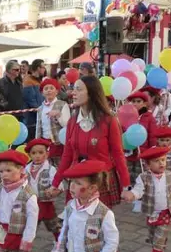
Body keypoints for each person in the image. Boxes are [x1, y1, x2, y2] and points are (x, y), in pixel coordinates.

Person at [49, 76, 130, 208]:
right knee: (75, 223)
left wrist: (126, 185)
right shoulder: (72, 121)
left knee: (96, 225)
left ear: (92, 93)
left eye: (79, 89)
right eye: (73, 89)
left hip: (99, 181)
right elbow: (67, 156)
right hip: (77, 181)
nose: (73, 93)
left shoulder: (109, 120)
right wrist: (55, 182)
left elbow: (118, 154)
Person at [124, 91, 159, 213]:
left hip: (143, 154)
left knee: (142, 176)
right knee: (131, 175)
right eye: (133, 101)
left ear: (144, 103)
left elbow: (152, 135)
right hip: (130, 152)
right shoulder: (127, 117)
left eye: (138, 102)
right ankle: (135, 196)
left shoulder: (149, 118)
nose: (135, 104)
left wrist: (152, 151)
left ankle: (142, 200)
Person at [24, 139, 63, 242]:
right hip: (32, 204)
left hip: (46, 204)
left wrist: (55, 190)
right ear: (29, 155)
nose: (37, 156)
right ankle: (26, 243)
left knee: (53, 225)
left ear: (47, 154)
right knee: (31, 224)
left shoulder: (50, 169)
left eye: (41, 152)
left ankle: (59, 243)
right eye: (33, 153)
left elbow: (58, 184)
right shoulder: (26, 169)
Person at [35, 78, 70, 164]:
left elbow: (67, 125)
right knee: (46, 166)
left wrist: (58, 115)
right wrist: (37, 142)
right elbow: (38, 127)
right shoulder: (40, 109)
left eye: (51, 88)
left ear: (57, 91)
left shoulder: (62, 104)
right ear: (42, 93)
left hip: (58, 142)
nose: (49, 91)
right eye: (46, 89)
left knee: (60, 165)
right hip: (44, 143)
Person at [23, 60, 45, 137]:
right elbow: (31, 101)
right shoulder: (28, 81)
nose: (44, 69)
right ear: (38, 68)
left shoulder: (39, 81)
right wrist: (43, 111)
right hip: (31, 118)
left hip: (38, 115)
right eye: (43, 67)